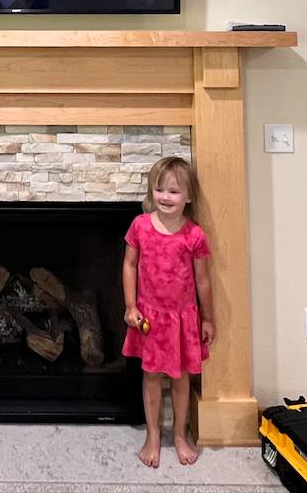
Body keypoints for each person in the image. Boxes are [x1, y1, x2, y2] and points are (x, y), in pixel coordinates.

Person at [121, 156, 216, 467]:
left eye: (174, 191)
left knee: (180, 379)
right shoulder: (140, 227)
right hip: (149, 317)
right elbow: (130, 265)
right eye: (159, 189)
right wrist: (131, 306)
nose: (165, 197)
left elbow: (203, 279)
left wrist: (207, 318)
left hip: (182, 319)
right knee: (150, 376)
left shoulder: (194, 235)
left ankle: (178, 433)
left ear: (188, 196)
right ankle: (152, 433)